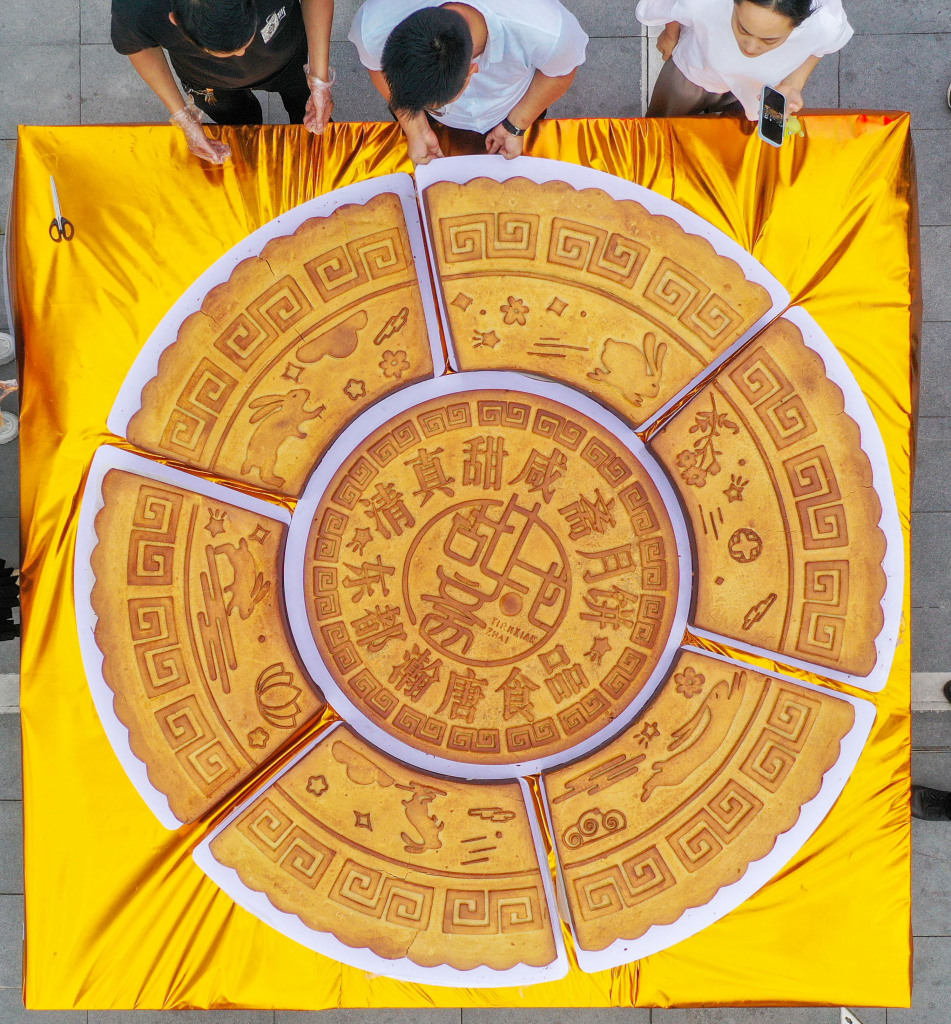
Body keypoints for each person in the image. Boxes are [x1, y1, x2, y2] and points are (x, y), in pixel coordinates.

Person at [348, 1, 588, 164]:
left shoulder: (548, 31)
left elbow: (559, 73)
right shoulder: (374, 25)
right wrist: (414, 123)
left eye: (438, 106)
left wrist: (517, 124)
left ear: (472, 71)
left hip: (515, 101)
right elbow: (377, 66)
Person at [112, 0, 335, 165]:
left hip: (287, 54)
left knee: (307, 111)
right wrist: (183, 117)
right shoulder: (136, 7)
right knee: (240, 126)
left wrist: (319, 78)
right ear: (175, 20)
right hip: (207, 80)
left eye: (246, 40)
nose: (241, 55)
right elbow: (138, 46)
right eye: (225, 51)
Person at [636, 0, 852, 120]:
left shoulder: (824, 23)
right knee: (661, 126)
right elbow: (671, 4)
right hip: (692, 73)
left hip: (756, 92)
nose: (750, 47)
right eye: (742, 29)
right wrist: (671, 33)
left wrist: (793, 85)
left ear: (800, 22)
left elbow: (822, 47)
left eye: (769, 40)